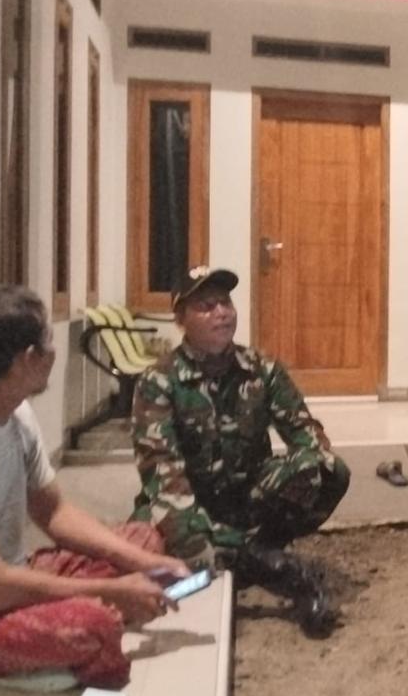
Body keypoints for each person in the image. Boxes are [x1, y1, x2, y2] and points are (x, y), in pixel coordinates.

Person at [0, 286, 188, 689]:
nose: (54, 352)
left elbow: (54, 513)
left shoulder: (15, 414)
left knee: (142, 540)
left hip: (5, 578)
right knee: (94, 626)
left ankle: (52, 645)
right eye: (48, 342)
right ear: (28, 358)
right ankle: (51, 656)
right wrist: (110, 591)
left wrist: (141, 563)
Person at [131, 266, 350, 636]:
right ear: (181, 320)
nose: (221, 313)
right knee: (160, 557)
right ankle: (261, 563)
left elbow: (306, 435)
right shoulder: (158, 381)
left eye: (225, 303)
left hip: (247, 499)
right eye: (206, 306)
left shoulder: (263, 369)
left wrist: (306, 466)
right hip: (187, 507)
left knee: (328, 470)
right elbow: (165, 480)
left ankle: (250, 555)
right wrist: (202, 535)